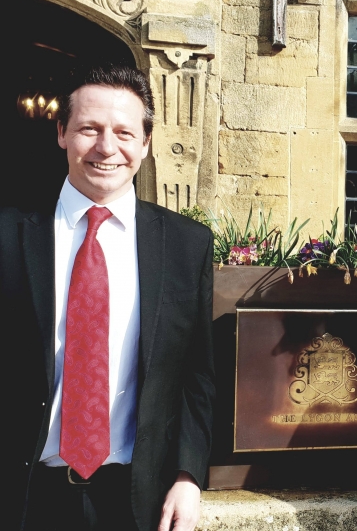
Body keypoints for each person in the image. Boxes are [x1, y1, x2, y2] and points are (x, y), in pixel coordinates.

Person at [2, 64, 215, 531]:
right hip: (22, 497)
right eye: (89, 129)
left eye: (123, 132)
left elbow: (197, 374)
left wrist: (188, 475)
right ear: (61, 133)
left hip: (139, 500)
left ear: (145, 143)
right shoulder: (8, 235)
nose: (106, 147)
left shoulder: (186, 244)